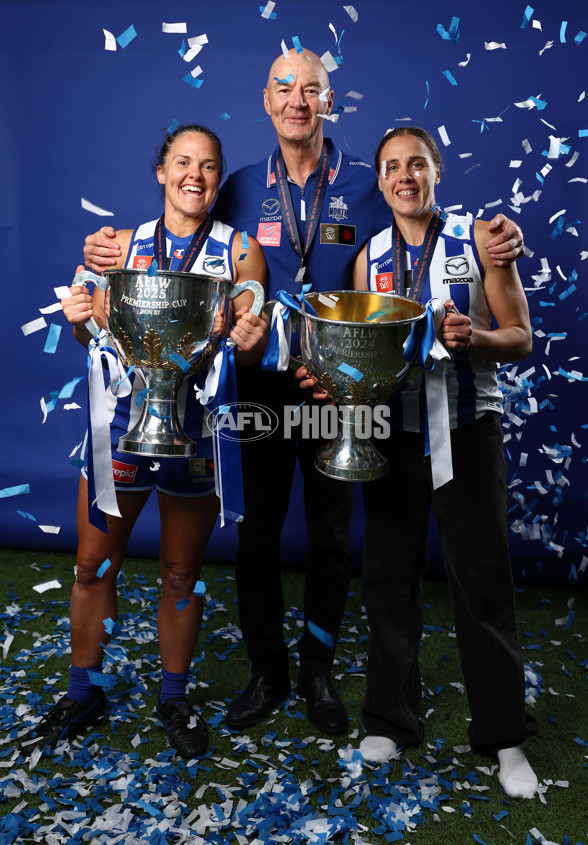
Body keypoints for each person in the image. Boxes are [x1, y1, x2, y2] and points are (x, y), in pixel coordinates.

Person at [82, 49, 525, 737]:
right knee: (257, 533)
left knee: (328, 536)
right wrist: (104, 249)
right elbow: (184, 238)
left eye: (311, 89)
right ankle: (268, 670)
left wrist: (498, 234)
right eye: (285, 88)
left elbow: (426, 224)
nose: (298, 100)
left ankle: (317, 671)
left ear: (329, 100)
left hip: (342, 387)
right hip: (257, 381)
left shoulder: (369, 181)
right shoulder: (236, 184)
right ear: (266, 101)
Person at [20, 124, 268, 761]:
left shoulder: (240, 252)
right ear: (161, 171)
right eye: (183, 162)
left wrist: (247, 334)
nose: (196, 175)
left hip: (196, 432)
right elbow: (96, 341)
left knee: (181, 570)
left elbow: (255, 342)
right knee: (91, 565)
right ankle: (83, 690)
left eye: (209, 166)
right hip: (126, 425)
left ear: (219, 179)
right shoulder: (119, 248)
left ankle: (174, 696)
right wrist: (80, 322)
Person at [350, 126, 539, 799]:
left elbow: (519, 335)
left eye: (418, 165)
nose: (406, 176)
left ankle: (504, 735)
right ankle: (389, 717)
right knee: (388, 575)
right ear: (379, 181)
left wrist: (476, 336)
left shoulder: (480, 238)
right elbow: (359, 348)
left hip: (465, 424)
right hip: (395, 431)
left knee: (482, 579)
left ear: (438, 172)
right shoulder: (367, 257)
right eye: (393, 167)